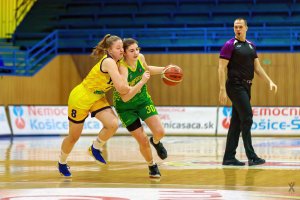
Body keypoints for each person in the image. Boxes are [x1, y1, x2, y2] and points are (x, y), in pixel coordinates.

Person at [57, 34, 148, 177]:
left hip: (97, 97)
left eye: (122, 48)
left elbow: (141, 67)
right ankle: (62, 162)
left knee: (112, 123)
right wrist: (137, 85)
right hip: (81, 97)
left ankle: (95, 148)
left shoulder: (120, 62)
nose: (121, 51)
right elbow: (120, 88)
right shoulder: (109, 62)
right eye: (118, 48)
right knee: (74, 137)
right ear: (110, 50)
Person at [218, 18, 277, 166]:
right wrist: (222, 89)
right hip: (234, 85)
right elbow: (221, 68)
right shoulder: (229, 45)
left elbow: (257, 68)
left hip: (246, 87)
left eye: (240, 27)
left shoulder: (251, 46)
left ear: (246, 28)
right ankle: (251, 156)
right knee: (247, 117)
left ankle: (229, 157)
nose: (237, 29)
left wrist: (269, 81)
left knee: (237, 122)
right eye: (235, 27)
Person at [113, 38, 169, 178]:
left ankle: (155, 142)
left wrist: (165, 70)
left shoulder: (140, 58)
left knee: (160, 132)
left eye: (137, 49)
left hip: (143, 101)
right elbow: (125, 97)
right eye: (132, 50)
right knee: (142, 139)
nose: (136, 53)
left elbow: (147, 69)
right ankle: (152, 165)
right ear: (124, 53)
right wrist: (142, 81)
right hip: (125, 107)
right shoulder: (122, 68)